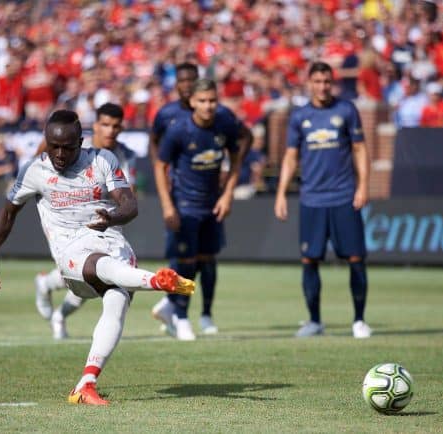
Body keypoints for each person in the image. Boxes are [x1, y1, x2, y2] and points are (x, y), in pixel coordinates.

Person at [0, 109, 195, 405]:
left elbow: (130, 206)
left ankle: (87, 382)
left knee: (116, 304)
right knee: (101, 265)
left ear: (80, 142)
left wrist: (112, 216)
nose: (59, 153)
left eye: (67, 147)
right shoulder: (35, 171)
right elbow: (6, 214)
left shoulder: (102, 159)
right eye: (53, 146)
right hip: (72, 253)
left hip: (111, 240)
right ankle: (156, 281)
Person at [149, 63, 252, 338]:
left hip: (212, 202)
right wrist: (167, 205)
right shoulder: (178, 130)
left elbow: (238, 151)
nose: (208, 106)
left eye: (212, 100)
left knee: (207, 259)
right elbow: (160, 166)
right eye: (203, 101)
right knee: (184, 261)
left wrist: (228, 191)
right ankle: (181, 315)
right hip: (184, 205)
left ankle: (195, 312)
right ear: (192, 102)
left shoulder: (225, 123)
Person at [274, 61, 372, 339]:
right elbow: (291, 157)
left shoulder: (346, 110)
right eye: (317, 81)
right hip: (312, 200)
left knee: (356, 258)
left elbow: (360, 149)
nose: (322, 87)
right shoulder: (300, 116)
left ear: (333, 83)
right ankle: (315, 320)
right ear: (309, 83)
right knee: (309, 259)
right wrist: (281, 192)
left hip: (343, 196)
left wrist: (363, 186)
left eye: (327, 82)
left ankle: (359, 320)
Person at [33, 103, 137, 339]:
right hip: (71, 220)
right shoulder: (75, 145)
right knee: (91, 276)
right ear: (95, 125)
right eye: (105, 125)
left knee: (94, 278)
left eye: (116, 126)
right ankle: (55, 305)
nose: (110, 131)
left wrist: (121, 211)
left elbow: (130, 192)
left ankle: (48, 290)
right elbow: (40, 163)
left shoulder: (126, 155)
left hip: (107, 222)